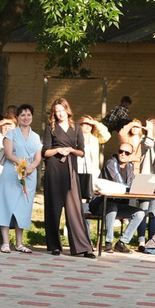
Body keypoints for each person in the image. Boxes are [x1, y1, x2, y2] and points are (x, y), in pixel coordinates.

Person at [39, 98, 94, 257]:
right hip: (54, 169)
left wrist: (70, 150)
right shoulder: (50, 128)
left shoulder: (76, 128)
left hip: (71, 169)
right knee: (53, 207)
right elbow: (45, 152)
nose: (60, 114)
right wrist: (58, 150)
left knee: (75, 208)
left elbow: (81, 152)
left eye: (62, 110)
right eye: (57, 111)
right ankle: (55, 246)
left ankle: (83, 247)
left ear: (67, 110)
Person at [0, 106, 39, 251]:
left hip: (29, 174)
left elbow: (38, 157)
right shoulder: (11, 133)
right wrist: (23, 164)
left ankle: (19, 243)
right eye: (22, 115)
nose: (26, 117)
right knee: (6, 204)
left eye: (29, 114)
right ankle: (5, 242)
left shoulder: (36, 137)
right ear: (17, 117)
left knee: (23, 207)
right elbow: (9, 154)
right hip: (12, 172)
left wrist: (31, 167)